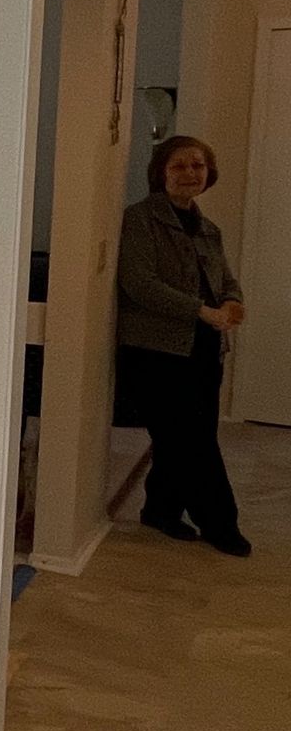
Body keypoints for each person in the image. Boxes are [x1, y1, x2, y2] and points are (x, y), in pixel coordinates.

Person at [116, 134, 251, 557]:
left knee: (187, 436)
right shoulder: (140, 219)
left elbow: (225, 279)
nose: (190, 174)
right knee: (192, 442)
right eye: (179, 166)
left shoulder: (209, 228)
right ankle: (220, 523)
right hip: (156, 351)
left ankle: (160, 509)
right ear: (160, 173)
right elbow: (139, 284)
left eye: (198, 166)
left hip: (204, 349)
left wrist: (232, 301)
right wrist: (201, 311)